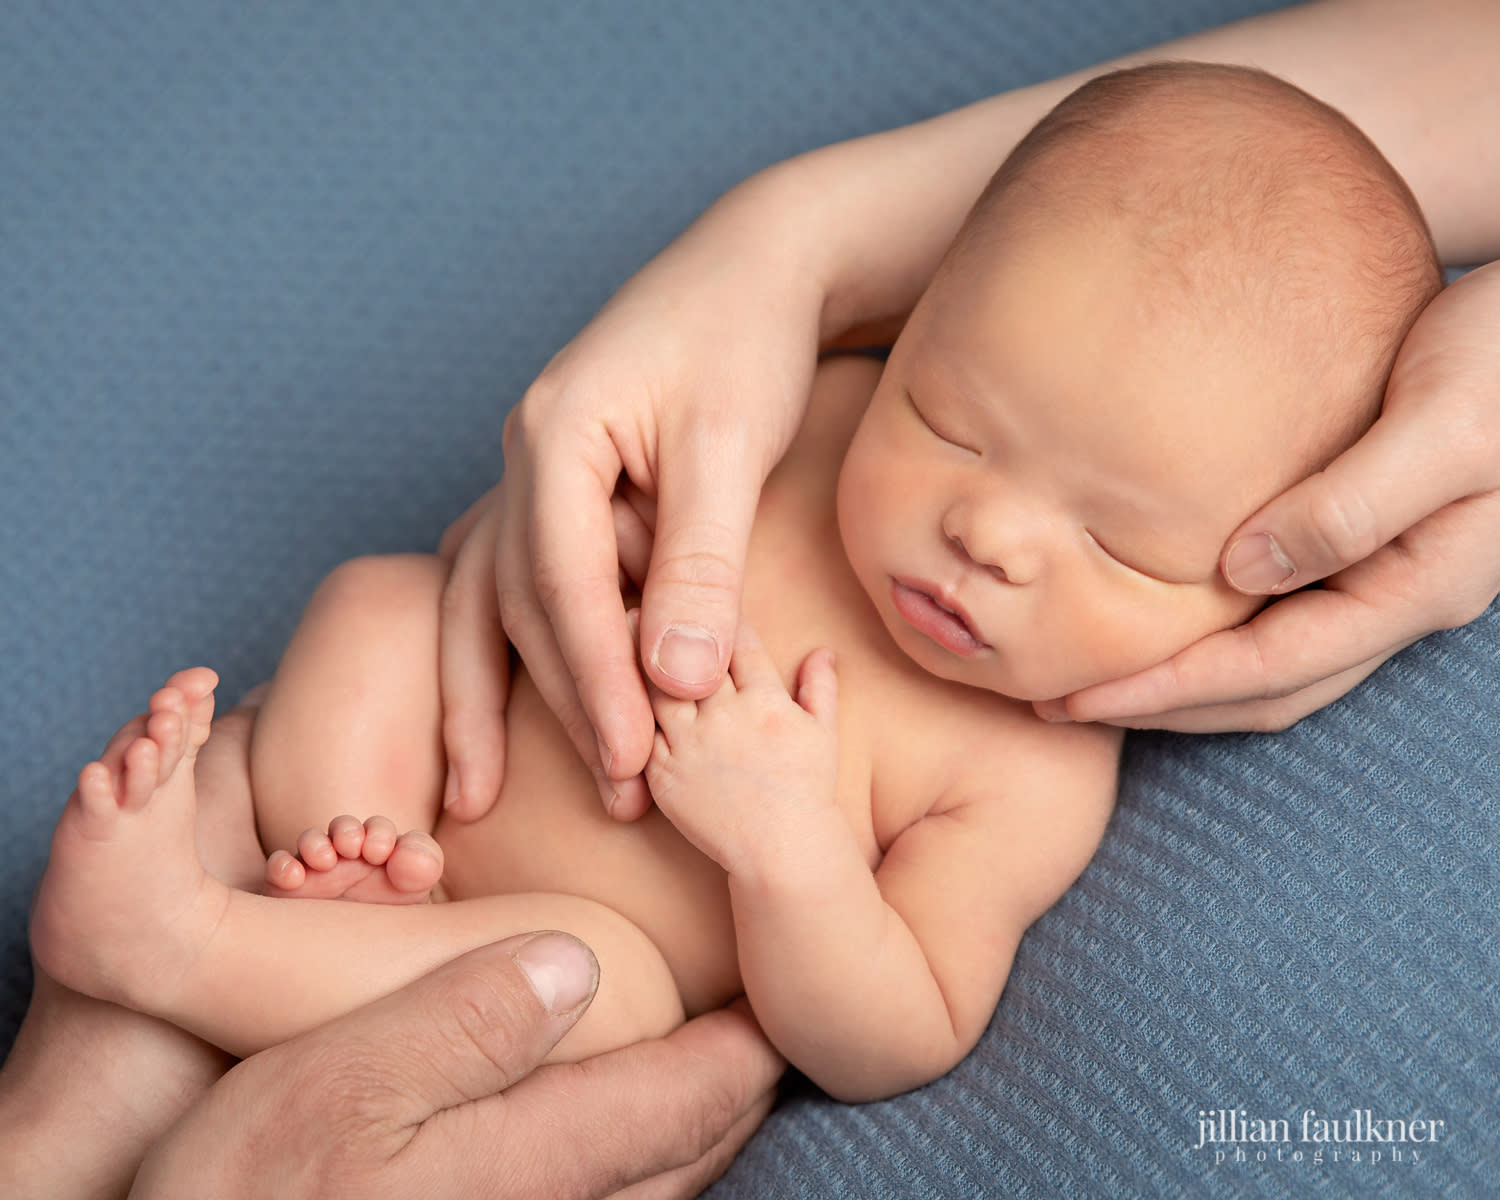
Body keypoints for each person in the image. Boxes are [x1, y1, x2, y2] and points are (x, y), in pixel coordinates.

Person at [5, 1, 1496, 1194]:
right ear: (913, 328)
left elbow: (898, 1034)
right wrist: (580, 529)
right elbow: (619, 494)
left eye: (1121, 548)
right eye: (954, 420)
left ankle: (176, 948)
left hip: (530, 935)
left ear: (1283, 572)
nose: (987, 531)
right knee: (383, 599)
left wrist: (791, 860)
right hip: (387, 799)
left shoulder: (1030, 764)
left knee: (621, 985)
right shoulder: (823, 412)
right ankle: (311, 886)